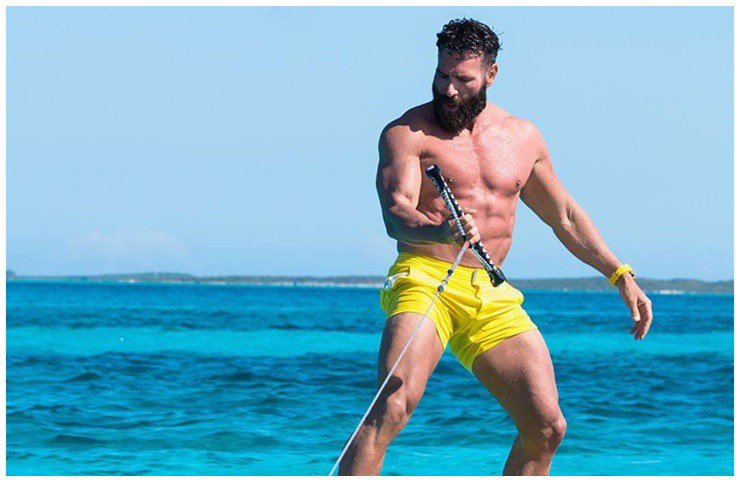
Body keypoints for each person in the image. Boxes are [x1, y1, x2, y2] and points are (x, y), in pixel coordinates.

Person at [338, 18, 654, 476]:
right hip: (425, 279)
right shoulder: (407, 133)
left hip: (490, 291)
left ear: (491, 74)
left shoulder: (522, 137)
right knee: (393, 404)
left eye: (462, 79)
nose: (448, 90)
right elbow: (395, 214)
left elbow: (563, 215)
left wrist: (619, 274)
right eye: (442, 75)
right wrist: (441, 230)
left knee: (546, 426)